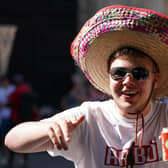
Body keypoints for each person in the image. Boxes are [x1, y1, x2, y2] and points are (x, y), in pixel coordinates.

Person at [4, 5, 168, 168]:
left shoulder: (164, 117)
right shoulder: (89, 118)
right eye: (119, 73)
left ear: (155, 78)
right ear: (108, 77)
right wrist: (49, 129)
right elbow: (12, 139)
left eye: (139, 73)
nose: (128, 81)